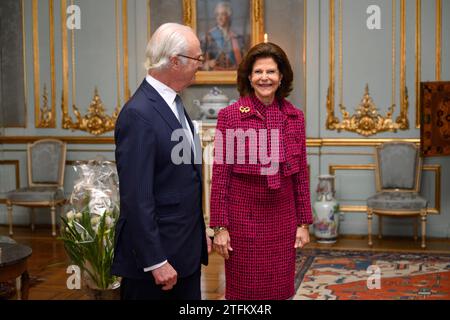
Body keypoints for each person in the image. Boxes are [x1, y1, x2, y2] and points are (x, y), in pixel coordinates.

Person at [111, 22, 211, 300]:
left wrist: (197, 234)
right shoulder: (138, 114)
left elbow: (183, 180)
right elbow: (136, 196)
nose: (200, 65)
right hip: (156, 265)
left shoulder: (174, 103)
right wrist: (156, 260)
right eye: (197, 58)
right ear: (175, 61)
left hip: (184, 253)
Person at [209, 42, 313, 300]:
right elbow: (220, 176)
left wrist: (303, 223)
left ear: (281, 77)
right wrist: (220, 227)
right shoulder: (230, 116)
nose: (264, 78)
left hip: (282, 219)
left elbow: (300, 175)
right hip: (243, 222)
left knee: (280, 290)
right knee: (244, 291)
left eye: (271, 72)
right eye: (258, 72)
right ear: (249, 77)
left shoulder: (295, 117)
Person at [201, 1, 244, 71]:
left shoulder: (238, 37)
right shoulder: (208, 37)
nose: (219, 17)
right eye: (217, 15)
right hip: (215, 76)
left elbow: (243, 61)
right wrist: (208, 63)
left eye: (222, 14)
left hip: (233, 75)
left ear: (228, 16)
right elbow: (199, 62)